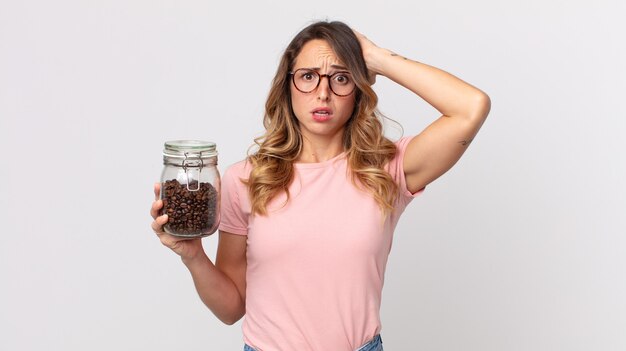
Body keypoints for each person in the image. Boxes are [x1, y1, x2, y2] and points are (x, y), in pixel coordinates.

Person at [150, 20, 490, 351]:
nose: (323, 92)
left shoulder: (387, 168)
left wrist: (378, 59)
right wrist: (193, 256)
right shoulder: (245, 179)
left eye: (341, 78)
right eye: (308, 77)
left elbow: (471, 108)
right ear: (287, 86)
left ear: (357, 90)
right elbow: (230, 308)